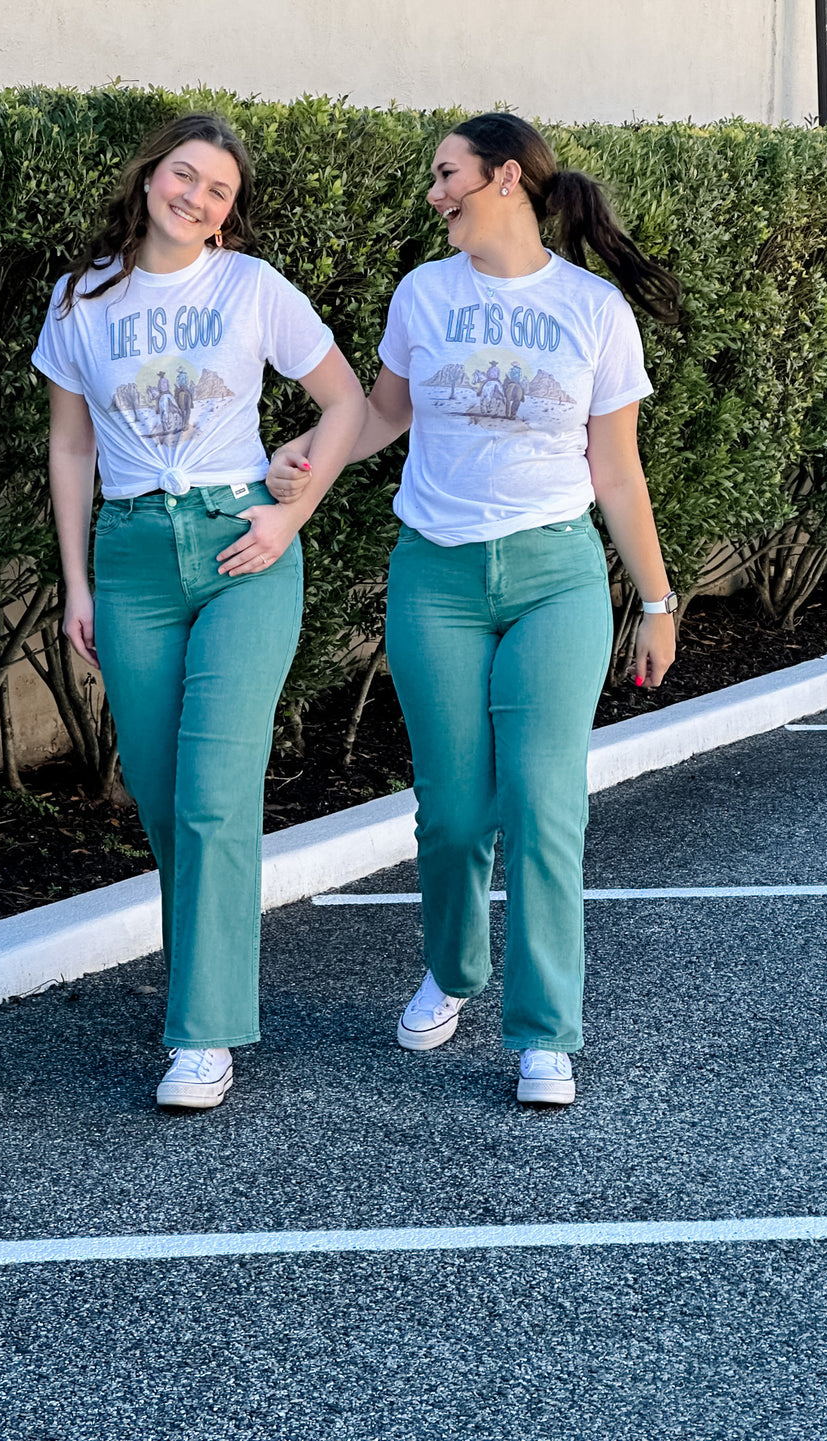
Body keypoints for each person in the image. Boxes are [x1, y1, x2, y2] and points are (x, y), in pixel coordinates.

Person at [270, 112, 679, 1105]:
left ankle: (544, 1029)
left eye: (446, 174)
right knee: (453, 814)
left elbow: (617, 473)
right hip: (437, 580)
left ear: (503, 179)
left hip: (555, 579)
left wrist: (657, 600)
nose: (433, 193)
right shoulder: (425, 292)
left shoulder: (593, 310)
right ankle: (454, 970)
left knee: (542, 803)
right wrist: (308, 456)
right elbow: (384, 412)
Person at [32, 113, 366, 1110]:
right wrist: (77, 582)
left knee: (216, 793)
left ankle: (202, 1035)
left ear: (228, 213)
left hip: (240, 547)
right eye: (186, 175)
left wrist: (290, 511)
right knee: (163, 796)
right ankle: (199, 995)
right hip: (132, 556)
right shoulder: (82, 298)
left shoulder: (251, 288)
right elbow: (71, 447)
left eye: (219, 189)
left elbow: (346, 402)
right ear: (150, 178)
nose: (197, 197)